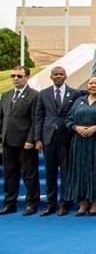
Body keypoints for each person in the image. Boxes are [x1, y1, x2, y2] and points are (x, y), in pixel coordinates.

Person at [62, 76, 96, 216]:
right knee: (80, 171)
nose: (93, 85)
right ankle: (83, 202)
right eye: (91, 83)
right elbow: (68, 120)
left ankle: (95, 200)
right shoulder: (79, 101)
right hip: (79, 142)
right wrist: (76, 127)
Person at [32, 66, 78, 216]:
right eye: (56, 74)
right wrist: (38, 139)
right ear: (51, 77)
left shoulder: (75, 93)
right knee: (50, 172)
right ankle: (50, 204)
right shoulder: (43, 94)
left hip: (67, 138)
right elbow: (38, 117)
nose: (58, 76)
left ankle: (64, 203)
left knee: (66, 172)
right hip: (48, 137)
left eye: (61, 74)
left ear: (66, 76)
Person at [0, 66, 40, 215]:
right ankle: (10, 203)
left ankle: (31, 203)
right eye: (13, 76)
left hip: (25, 143)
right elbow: (2, 118)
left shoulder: (34, 95)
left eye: (19, 76)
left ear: (27, 77)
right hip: (8, 141)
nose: (15, 78)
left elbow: (36, 120)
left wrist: (31, 139)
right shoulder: (6, 95)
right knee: (10, 174)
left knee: (29, 175)